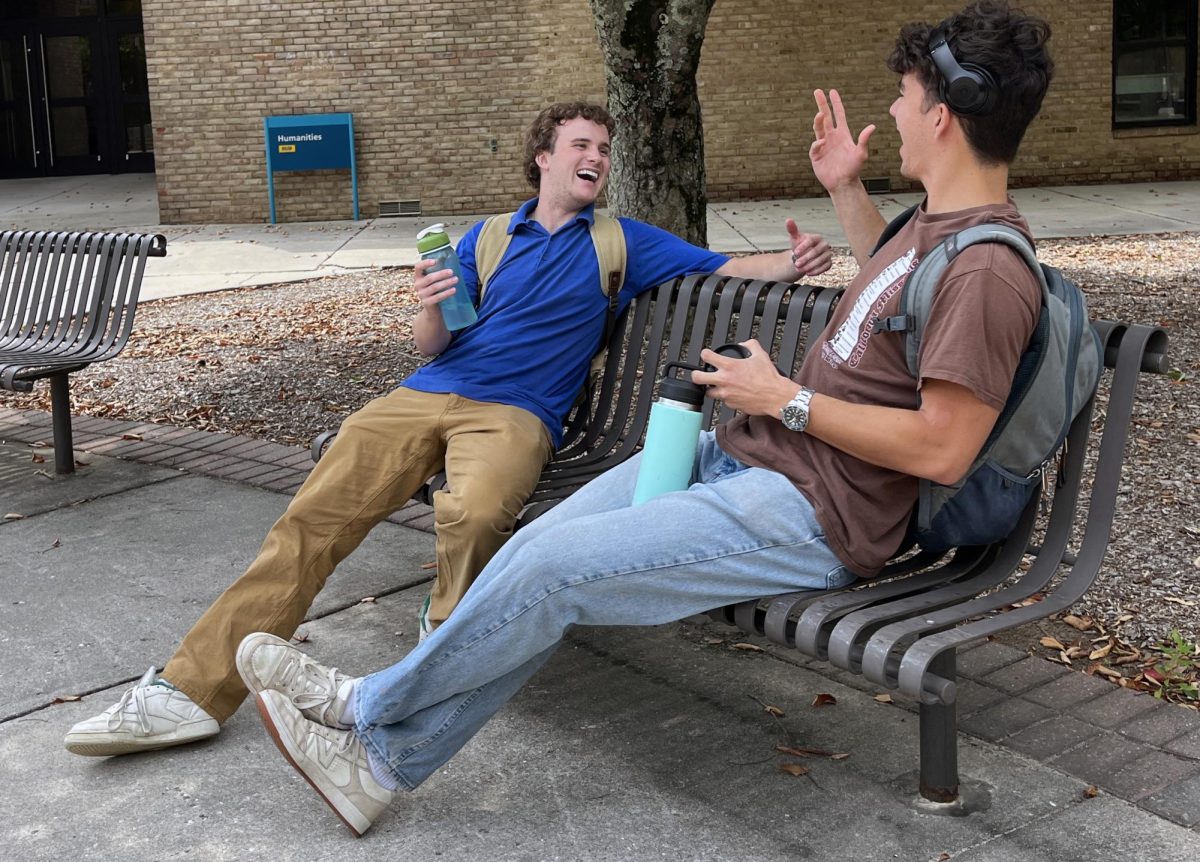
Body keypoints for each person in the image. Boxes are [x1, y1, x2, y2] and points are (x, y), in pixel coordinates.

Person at [232, 0, 1056, 837]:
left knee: (551, 569)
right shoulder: (934, 227)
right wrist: (844, 186)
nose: (894, 114)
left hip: (812, 510)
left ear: (945, 117)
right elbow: (885, 288)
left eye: (908, 99)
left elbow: (945, 450)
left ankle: (365, 709)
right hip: (738, 452)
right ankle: (380, 766)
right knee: (530, 557)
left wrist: (788, 399)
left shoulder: (989, 269)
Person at [63, 101, 833, 757]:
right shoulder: (487, 236)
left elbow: (732, 264)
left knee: (476, 511)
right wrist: (428, 301)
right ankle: (188, 692)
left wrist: (793, 263)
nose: (596, 156)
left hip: (516, 416)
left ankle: (439, 658)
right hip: (426, 392)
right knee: (310, 521)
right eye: (581, 145)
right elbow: (435, 342)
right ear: (544, 158)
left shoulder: (622, 242)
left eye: (603, 148)